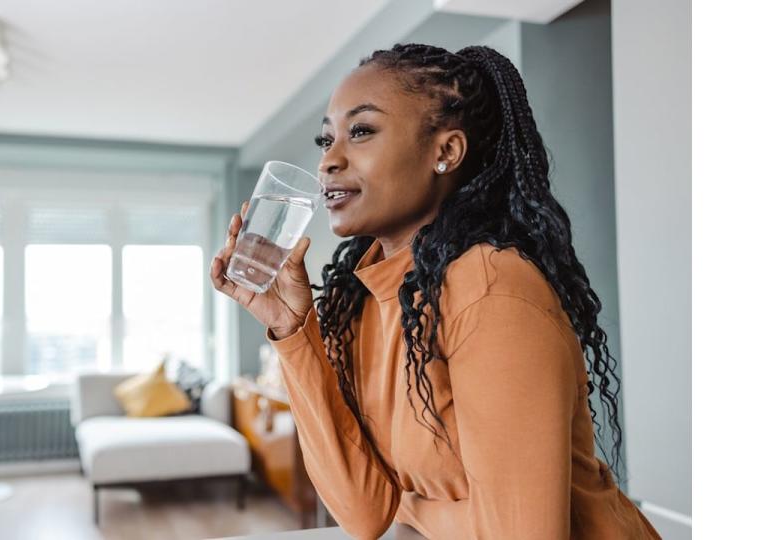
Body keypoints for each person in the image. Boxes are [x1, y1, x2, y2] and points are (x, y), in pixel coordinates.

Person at [210, 43, 661, 540]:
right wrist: (290, 327)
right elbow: (363, 514)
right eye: (326, 139)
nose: (329, 162)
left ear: (445, 151)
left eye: (360, 131)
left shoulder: (492, 290)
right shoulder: (364, 299)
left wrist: (417, 509)